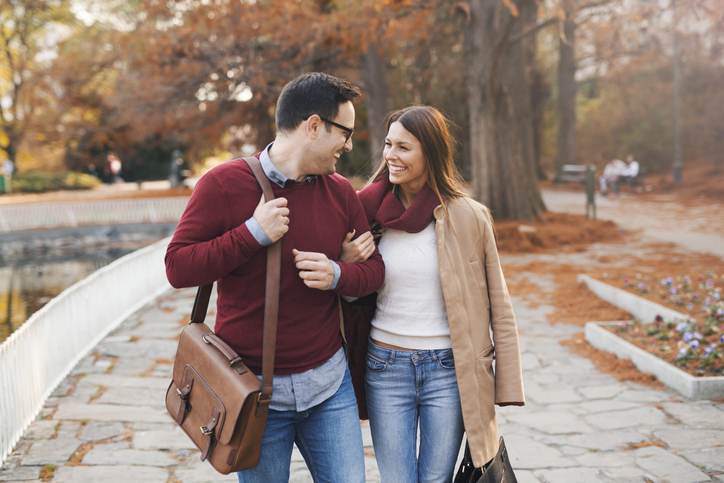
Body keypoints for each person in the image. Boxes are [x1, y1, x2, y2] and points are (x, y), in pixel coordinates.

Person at [165, 72, 385, 482]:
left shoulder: (340, 193)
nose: (350, 145)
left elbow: (373, 273)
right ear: (314, 126)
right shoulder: (222, 185)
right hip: (253, 394)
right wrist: (251, 235)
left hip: (329, 388)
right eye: (345, 132)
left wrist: (338, 273)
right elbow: (177, 267)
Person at [342, 106, 525, 482]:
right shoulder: (367, 214)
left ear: (431, 151)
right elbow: (347, 296)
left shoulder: (469, 216)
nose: (390, 155)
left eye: (404, 147)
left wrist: (507, 383)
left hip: (449, 370)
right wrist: (346, 265)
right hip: (385, 367)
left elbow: (499, 304)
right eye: (389, 144)